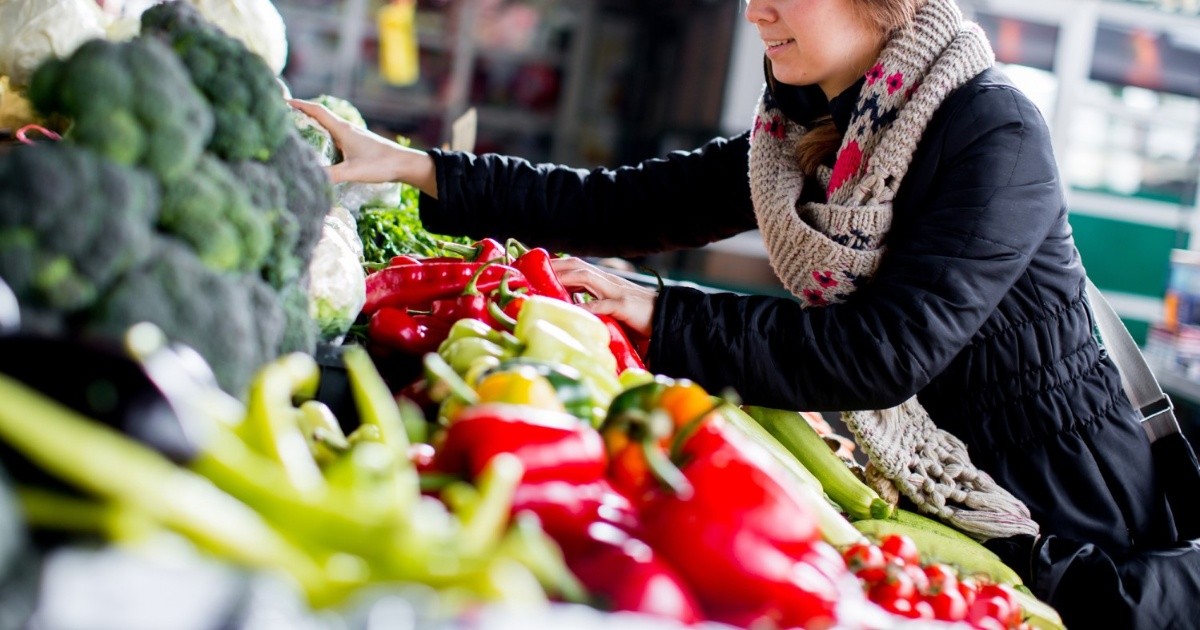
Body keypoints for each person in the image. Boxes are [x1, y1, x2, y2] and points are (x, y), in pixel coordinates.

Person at [291, 0, 1200, 625]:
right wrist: (422, 169)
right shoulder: (813, 133)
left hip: (1062, 505)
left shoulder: (990, 131)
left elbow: (883, 355)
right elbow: (628, 207)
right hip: (927, 490)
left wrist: (662, 314)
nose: (756, 8)